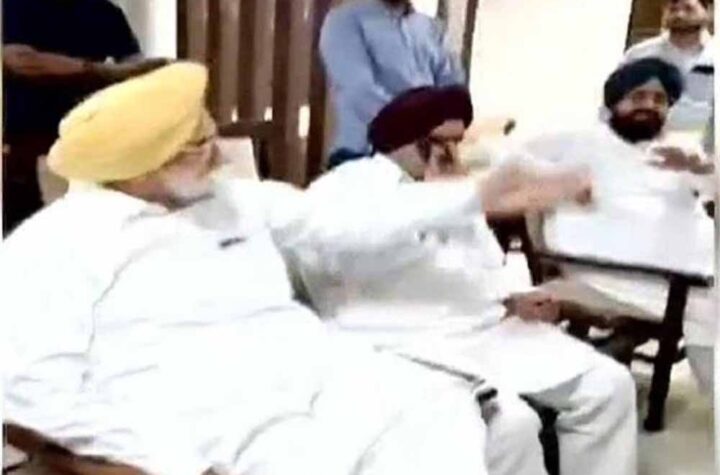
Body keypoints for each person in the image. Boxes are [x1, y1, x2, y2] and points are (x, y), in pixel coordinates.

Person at [1, 63, 593, 475]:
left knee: (439, 407)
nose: (217, 151)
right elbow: (30, 390)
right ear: (137, 163)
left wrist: (478, 195)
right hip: (209, 413)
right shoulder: (56, 244)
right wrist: (158, 459)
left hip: (313, 368)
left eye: (210, 134)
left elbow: (342, 220)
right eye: (196, 144)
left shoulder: (231, 198)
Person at [299, 86, 637, 475]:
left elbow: (483, 264)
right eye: (438, 143)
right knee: (513, 426)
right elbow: (347, 250)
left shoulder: (452, 185)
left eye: (457, 142)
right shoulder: (347, 188)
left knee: (609, 385)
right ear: (404, 139)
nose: (450, 154)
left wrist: (512, 298)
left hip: (483, 330)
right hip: (402, 342)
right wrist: (459, 199)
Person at [519, 58, 715, 396]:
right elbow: (506, 158)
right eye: (638, 97)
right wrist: (553, 185)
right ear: (614, 102)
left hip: (685, 270)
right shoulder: (580, 142)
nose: (649, 106)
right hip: (619, 274)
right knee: (710, 312)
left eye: (659, 100)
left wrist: (701, 168)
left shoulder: (679, 150)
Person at [2, 0, 168, 235]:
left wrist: (154, 72)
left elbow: (132, 66)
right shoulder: (14, 6)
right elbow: (17, 60)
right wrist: (101, 71)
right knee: (24, 228)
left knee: (87, 223)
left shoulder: (106, 12)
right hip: (23, 140)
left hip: (87, 136)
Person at [320, 0, 464, 168]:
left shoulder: (433, 29)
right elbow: (361, 93)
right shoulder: (344, 21)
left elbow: (454, 97)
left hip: (429, 162)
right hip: (363, 159)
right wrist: (426, 129)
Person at [623, 0, 714, 133]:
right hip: (647, 139)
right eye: (673, 9)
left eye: (688, 8)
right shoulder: (639, 54)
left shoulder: (714, 54)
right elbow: (615, 100)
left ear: (707, 12)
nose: (679, 15)